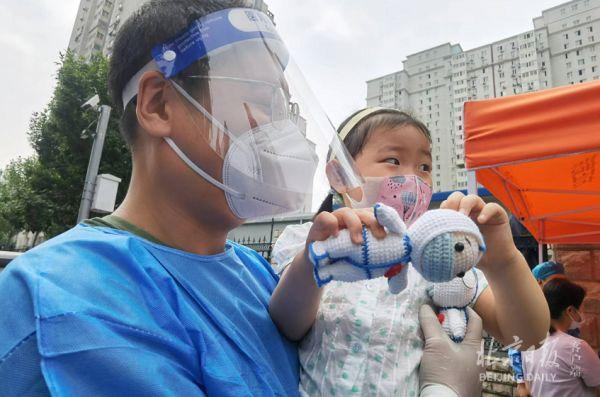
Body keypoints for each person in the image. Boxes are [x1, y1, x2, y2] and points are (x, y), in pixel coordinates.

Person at [0, 1, 374, 395]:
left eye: (285, 109)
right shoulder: (66, 292)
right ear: (159, 104)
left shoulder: (258, 275)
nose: (281, 130)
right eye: (264, 102)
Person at [269, 107, 550, 396]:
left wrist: (503, 262)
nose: (414, 179)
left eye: (424, 167)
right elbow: (288, 324)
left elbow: (526, 338)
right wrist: (313, 259)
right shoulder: (307, 239)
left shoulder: (442, 255)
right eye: (393, 160)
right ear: (340, 174)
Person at [522, 278, 600, 396]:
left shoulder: (530, 343)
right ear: (570, 310)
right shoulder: (575, 347)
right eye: (580, 307)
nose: (582, 312)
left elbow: (529, 387)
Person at [510, 261, 570, 397]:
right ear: (539, 283)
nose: (560, 287)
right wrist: (521, 382)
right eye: (554, 281)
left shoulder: (567, 306)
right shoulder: (526, 309)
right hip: (537, 378)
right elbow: (516, 345)